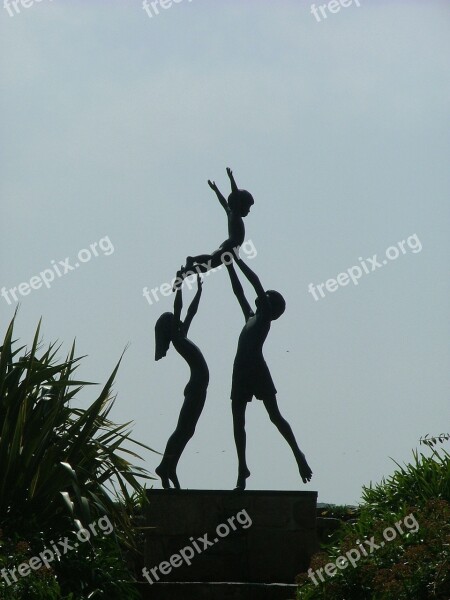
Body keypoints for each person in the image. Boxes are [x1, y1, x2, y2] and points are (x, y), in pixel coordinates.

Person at [226, 257, 313, 490]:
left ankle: (298, 454)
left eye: (266, 296)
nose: (261, 295)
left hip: (256, 368)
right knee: (237, 419)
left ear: (269, 306)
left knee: (274, 416)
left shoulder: (264, 316)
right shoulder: (250, 317)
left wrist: (237, 258)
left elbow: (254, 282)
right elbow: (239, 292)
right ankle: (242, 469)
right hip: (240, 369)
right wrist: (228, 266)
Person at [154, 272, 209, 489]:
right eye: (172, 319)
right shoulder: (177, 338)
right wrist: (178, 285)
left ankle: (171, 467)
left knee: (188, 431)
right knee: (181, 430)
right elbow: (179, 308)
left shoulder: (183, 334)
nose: (176, 319)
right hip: (196, 386)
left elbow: (191, 312)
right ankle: (164, 467)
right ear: (169, 327)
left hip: (199, 387)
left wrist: (199, 291)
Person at [177, 168, 254, 285]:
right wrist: (231, 178)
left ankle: (188, 267)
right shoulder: (235, 214)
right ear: (240, 205)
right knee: (210, 263)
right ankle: (190, 263)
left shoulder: (231, 213)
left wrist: (216, 190)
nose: (248, 211)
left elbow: (224, 203)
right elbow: (236, 195)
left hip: (229, 245)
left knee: (210, 262)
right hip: (230, 245)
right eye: (248, 207)